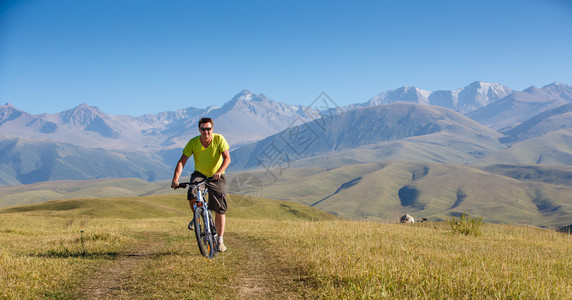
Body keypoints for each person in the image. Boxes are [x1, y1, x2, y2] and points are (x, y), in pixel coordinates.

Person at [171, 117, 231, 252]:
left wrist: (220, 172)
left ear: (212, 129)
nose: (206, 132)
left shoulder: (219, 139)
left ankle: (220, 240)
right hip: (200, 174)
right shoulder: (193, 143)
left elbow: (227, 158)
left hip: (217, 175)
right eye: (203, 129)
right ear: (199, 130)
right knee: (192, 193)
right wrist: (175, 180)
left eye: (208, 129)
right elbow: (182, 162)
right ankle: (198, 217)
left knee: (219, 207)